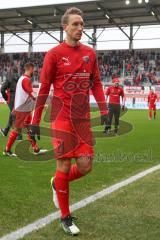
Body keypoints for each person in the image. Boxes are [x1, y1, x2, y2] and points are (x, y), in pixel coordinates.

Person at [29, 7, 108, 236]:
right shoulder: (54, 54)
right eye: (75, 24)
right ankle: (65, 216)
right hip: (62, 118)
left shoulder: (90, 54)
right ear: (65, 27)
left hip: (83, 120)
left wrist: (104, 110)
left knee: (85, 166)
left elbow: (97, 84)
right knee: (63, 165)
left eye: (82, 24)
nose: (80, 28)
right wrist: (35, 120)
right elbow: (44, 88)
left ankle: (57, 183)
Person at [3, 62, 47, 157]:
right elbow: (32, 94)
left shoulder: (21, 79)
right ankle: (7, 150)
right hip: (22, 110)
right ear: (30, 68)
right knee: (17, 130)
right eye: (33, 69)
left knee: (28, 130)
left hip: (24, 109)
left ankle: (35, 149)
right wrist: (42, 104)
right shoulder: (26, 80)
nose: (34, 71)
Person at [0, 66, 22, 140]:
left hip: (12, 98)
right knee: (13, 114)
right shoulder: (21, 77)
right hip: (20, 97)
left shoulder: (9, 77)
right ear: (17, 71)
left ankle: (19, 136)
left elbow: (2, 89)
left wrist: (6, 98)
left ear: (11, 71)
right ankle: (5, 131)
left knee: (14, 116)